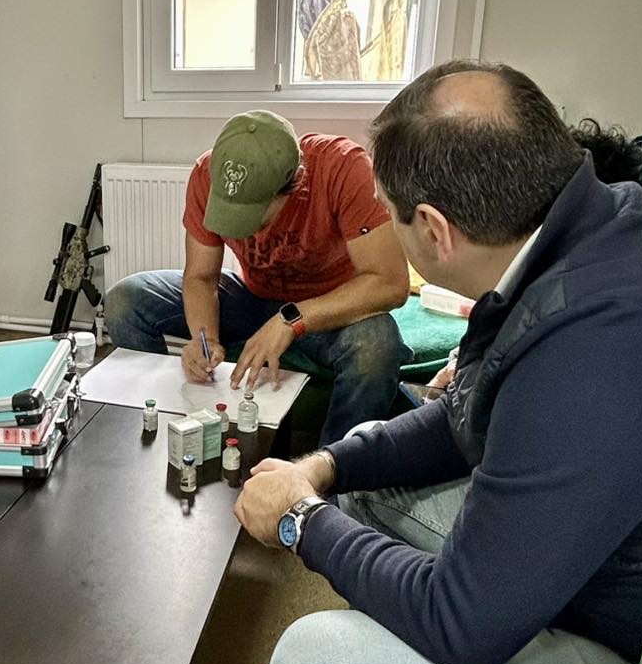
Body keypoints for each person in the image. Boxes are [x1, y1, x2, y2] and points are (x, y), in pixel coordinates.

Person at [234, 61, 642, 664]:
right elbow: (463, 411)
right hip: (599, 565)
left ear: (434, 229)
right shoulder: (581, 233)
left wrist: (299, 519)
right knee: (361, 478)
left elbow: (463, 624)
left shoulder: (593, 347)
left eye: (391, 217)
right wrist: (325, 465)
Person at [104, 111, 411, 445]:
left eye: (253, 215)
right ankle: (165, 426)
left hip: (330, 309)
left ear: (296, 182)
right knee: (125, 301)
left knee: (377, 346)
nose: (244, 227)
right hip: (252, 296)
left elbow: (390, 284)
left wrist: (290, 320)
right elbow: (202, 277)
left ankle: (333, 466)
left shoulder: (342, 167)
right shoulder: (206, 174)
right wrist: (204, 340)